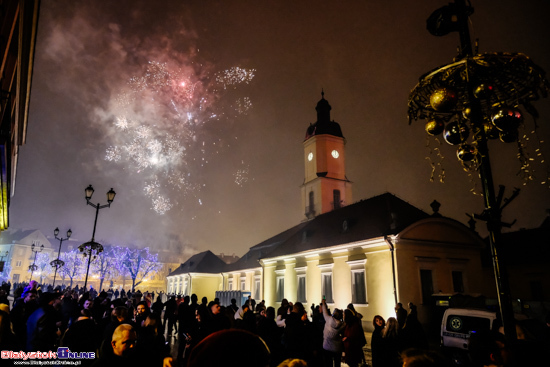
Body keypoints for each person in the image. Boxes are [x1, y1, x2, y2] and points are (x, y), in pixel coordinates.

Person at [321, 298, 345, 367]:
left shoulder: (328, 319)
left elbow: (325, 312)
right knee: (337, 364)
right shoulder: (342, 325)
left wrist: (323, 304)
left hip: (326, 347)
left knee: (328, 363)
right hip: (337, 348)